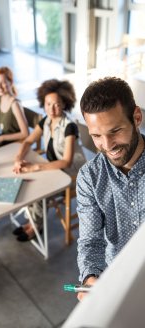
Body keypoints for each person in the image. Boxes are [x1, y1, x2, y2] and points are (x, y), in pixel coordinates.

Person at [76, 77, 145, 301]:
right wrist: (90, 279)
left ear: (136, 118)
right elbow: (90, 241)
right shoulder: (89, 178)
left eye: (115, 131)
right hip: (116, 281)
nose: (108, 145)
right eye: (96, 136)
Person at [13, 79, 86, 242]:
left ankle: (35, 225)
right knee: (28, 180)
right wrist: (19, 157)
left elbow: (66, 161)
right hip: (55, 169)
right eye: (48, 104)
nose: (51, 109)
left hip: (72, 175)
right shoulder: (45, 120)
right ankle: (32, 220)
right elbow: (28, 141)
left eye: (56, 104)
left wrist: (36, 167)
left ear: (64, 104)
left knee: (38, 187)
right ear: (43, 104)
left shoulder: (69, 127)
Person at [0, 67, 28, 148]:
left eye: (3, 83)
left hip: (15, 144)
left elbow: (25, 133)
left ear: (11, 83)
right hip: (3, 142)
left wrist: (2, 138)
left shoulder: (15, 104)